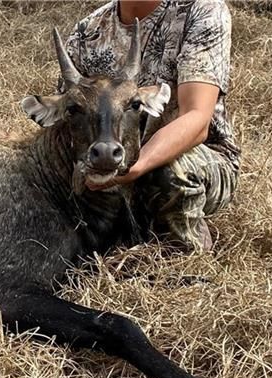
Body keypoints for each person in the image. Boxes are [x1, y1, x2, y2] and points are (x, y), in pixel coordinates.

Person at [64, 0, 239, 252]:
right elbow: (68, 124)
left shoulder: (201, 10)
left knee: (169, 173)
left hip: (197, 157)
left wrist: (135, 168)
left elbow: (197, 119)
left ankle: (181, 257)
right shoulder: (87, 32)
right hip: (109, 155)